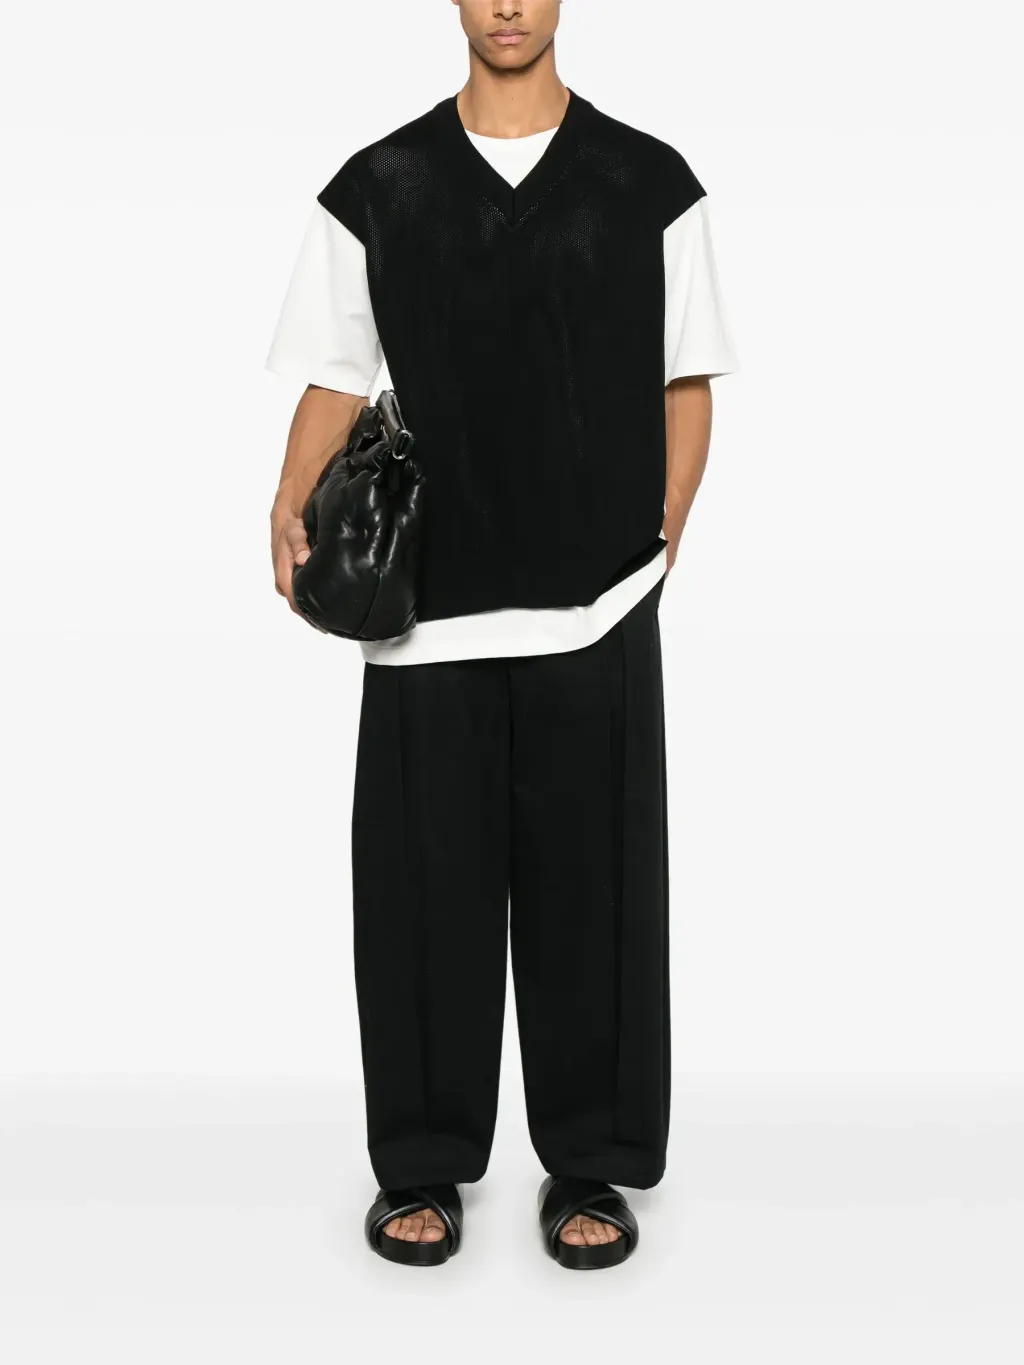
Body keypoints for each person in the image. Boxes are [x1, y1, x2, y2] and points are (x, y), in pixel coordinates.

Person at [266, 0, 738, 1270]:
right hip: (428, 615)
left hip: (596, 602)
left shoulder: (648, 183)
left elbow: (685, 377)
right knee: (422, 900)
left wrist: (661, 528)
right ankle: (420, 1161)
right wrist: (288, 499)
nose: (509, 5)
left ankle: (590, 1160)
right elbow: (334, 371)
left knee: (598, 895)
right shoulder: (379, 186)